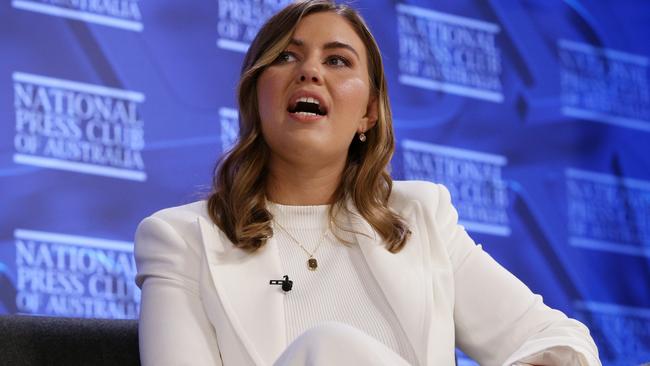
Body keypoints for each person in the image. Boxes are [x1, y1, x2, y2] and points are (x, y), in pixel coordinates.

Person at [134, 1, 601, 365]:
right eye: (286, 57)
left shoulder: (422, 219)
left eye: (337, 61)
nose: (310, 70)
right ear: (257, 97)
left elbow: (557, 340)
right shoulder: (180, 239)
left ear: (368, 114)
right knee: (327, 348)